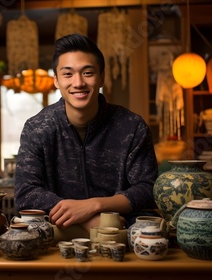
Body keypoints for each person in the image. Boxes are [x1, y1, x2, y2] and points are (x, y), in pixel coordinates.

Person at [14, 33, 159, 234]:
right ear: (56, 80)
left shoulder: (132, 126)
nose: (78, 83)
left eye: (87, 73)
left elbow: (148, 189)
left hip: (122, 234)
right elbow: (25, 193)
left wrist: (95, 206)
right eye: (68, 74)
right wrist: (81, 218)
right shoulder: (37, 128)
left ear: (102, 77)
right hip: (58, 237)